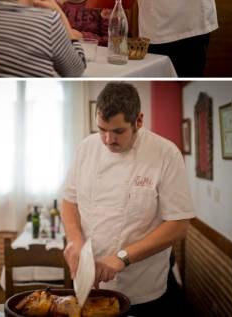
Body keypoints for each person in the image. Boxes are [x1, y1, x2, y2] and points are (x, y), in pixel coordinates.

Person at [62, 82, 194, 317]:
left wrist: (122, 257)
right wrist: (75, 241)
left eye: (118, 131)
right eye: (102, 129)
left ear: (139, 121)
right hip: (90, 283)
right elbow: (69, 202)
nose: (107, 139)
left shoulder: (165, 153)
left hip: (143, 288)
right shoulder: (85, 149)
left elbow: (178, 226)